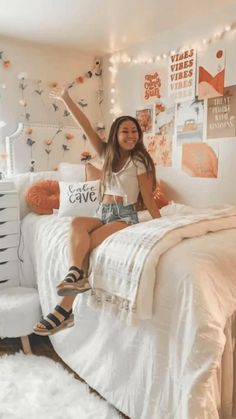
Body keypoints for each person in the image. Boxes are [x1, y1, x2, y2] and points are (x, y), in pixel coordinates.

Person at [33, 86, 161, 336]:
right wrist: (66, 98)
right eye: (125, 131)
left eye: (135, 131)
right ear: (115, 134)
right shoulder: (107, 154)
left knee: (90, 243)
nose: (131, 135)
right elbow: (87, 127)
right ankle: (74, 274)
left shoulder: (141, 161)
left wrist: (159, 224)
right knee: (76, 224)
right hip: (103, 212)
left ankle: (64, 307)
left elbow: (147, 197)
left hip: (124, 216)